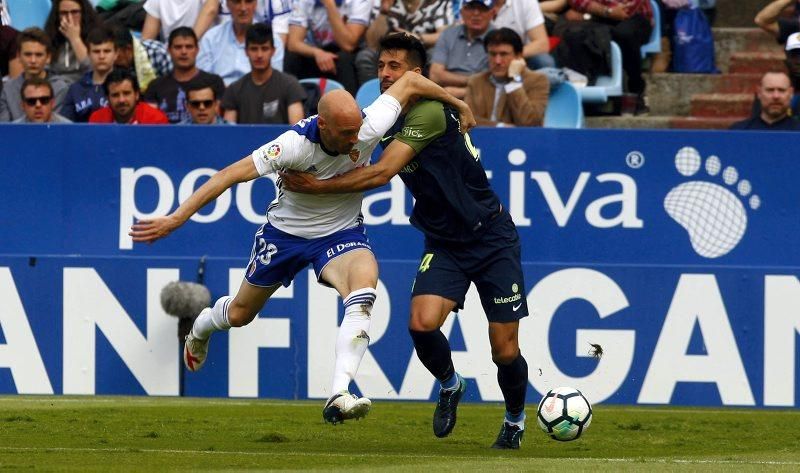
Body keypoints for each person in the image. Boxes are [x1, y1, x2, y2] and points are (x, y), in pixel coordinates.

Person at [128, 66, 473, 425]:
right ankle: (202, 325)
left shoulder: (368, 124)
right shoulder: (292, 145)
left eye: (358, 129)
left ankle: (339, 393)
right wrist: (175, 219)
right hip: (285, 236)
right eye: (346, 133)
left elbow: (412, 81)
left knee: (364, 290)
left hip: (341, 233)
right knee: (240, 315)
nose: (356, 139)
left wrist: (458, 104)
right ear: (323, 126)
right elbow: (227, 175)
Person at [279, 32, 529, 449]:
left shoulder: (429, 113)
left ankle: (515, 420)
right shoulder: (382, 116)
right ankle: (451, 386)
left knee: (504, 351)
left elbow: (379, 174)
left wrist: (315, 187)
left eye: (394, 67)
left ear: (414, 74)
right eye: (380, 66)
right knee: (421, 324)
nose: (384, 74)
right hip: (445, 242)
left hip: (492, 239)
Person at [567, 0, 653, 114]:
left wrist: (594, 8)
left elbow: (627, 9)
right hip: (602, 16)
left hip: (635, 17)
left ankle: (637, 91)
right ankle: (583, 93)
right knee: (574, 34)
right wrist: (606, 11)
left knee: (624, 34)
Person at [221, 23, 304, 124]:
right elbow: (229, 133)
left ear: (273, 51)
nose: (259, 55)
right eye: (254, 49)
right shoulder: (234, 89)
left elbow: (298, 131)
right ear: (246, 51)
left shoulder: (290, 85)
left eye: (264, 49)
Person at [465, 27, 549, 127]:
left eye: (503, 54)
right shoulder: (476, 81)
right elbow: (467, 119)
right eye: (492, 54)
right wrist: (500, 126)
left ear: (518, 56)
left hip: (519, 141)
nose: (497, 61)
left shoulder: (537, 80)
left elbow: (531, 122)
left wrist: (515, 81)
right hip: (480, 140)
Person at [285, 0, 372, 94]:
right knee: (291, 57)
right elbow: (293, 43)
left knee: (344, 59)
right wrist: (317, 53)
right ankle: (294, 103)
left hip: (347, 52)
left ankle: (349, 105)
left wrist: (329, 4)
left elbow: (348, 45)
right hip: (316, 51)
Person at [356, 0, 454, 83]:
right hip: (392, 50)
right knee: (365, 55)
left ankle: (422, 97)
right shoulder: (393, 2)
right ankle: (375, 95)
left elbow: (444, 35)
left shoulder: (438, 2)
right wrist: (384, 11)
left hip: (422, 50)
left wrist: (416, 38)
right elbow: (373, 43)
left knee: (433, 57)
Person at [143, 27, 225, 123]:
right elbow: (150, 124)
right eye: (178, 47)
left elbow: (218, 120)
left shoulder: (214, 82)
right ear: (169, 50)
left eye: (189, 47)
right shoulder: (155, 86)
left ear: (197, 50)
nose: (184, 52)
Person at [197, 0, 285, 85]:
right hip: (219, 96)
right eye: (237, 2)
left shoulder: (272, 40)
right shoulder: (211, 39)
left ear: (255, 4)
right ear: (228, 4)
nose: (243, 8)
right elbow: (203, 80)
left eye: (248, 1)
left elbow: (273, 83)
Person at [0, 28, 70, 122]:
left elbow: (56, 125)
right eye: (28, 54)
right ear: (19, 56)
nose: (33, 60)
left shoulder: (60, 88)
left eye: (38, 55)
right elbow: (4, 129)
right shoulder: (8, 89)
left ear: (48, 57)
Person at [429, 0, 495, 99]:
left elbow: (495, 83)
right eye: (471, 7)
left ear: (492, 13)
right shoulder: (448, 34)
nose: (476, 13)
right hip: (443, 95)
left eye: (482, 9)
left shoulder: (499, 40)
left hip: (481, 99)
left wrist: (460, 92)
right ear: (461, 11)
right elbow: (435, 75)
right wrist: (473, 80)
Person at [60, 25, 117, 122]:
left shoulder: (124, 86)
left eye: (107, 51)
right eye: (96, 51)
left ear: (116, 54)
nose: (101, 56)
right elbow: (65, 125)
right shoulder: (75, 89)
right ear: (89, 54)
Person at [43, 0, 101, 84]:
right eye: (63, 13)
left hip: (86, 86)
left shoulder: (97, 35)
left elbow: (93, 69)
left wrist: (75, 39)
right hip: (57, 88)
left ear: (83, 13)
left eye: (74, 12)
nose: (69, 17)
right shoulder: (50, 37)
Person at [89, 67, 169, 123]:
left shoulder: (155, 120)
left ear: (137, 94)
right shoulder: (97, 120)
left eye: (126, 93)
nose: (121, 100)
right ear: (107, 98)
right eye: (115, 95)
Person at [491, 0, 554, 70]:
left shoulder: (526, 2)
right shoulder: (477, 4)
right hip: (483, 54)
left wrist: (510, 55)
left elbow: (542, 44)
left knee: (544, 61)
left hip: (519, 55)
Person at [111, 24, 173, 92]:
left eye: (114, 52)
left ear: (128, 49)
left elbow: (174, 84)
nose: (111, 58)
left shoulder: (158, 53)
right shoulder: (108, 62)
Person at [730, 71, 800, 131]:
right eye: (770, 90)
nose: (776, 96)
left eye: (781, 90)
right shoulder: (739, 130)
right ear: (759, 93)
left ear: (791, 94)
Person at [141, 0, 206, 42]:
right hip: (171, 54)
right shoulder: (156, 1)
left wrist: (190, 44)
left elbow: (211, 11)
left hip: (204, 53)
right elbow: (146, 40)